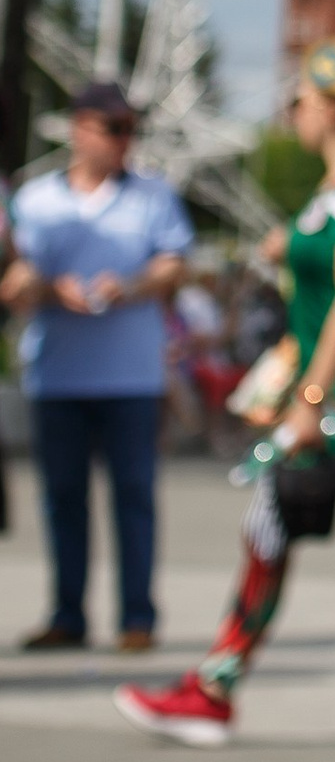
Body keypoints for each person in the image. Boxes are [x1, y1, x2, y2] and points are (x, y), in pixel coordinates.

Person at [114, 45, 335, 743]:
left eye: (301, 99)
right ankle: (219, 686)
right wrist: (289, 252)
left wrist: (310, 398)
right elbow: (325, 280)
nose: (292, 111)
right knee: (318, 534)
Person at [4, 80, 192, 652]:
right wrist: (45, 288)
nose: (123, 140)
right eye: (113, 128)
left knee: (133, 495)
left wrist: (130, 286)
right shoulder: (35, 200)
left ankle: (138, 617)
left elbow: (175, 264)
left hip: (131, 376)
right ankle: (68, 614)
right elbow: (15, 278)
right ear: (79, 129)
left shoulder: (153, 196)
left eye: (130, 129)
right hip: (57, 374)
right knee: (63, 499)